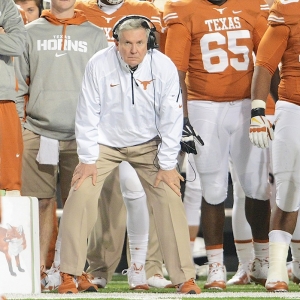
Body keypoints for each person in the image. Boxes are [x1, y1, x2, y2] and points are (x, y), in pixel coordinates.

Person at [58, 16, 201, 295]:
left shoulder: (163, 65)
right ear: (116, 42)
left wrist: (168, 164)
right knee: (80, 192)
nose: (134, 49)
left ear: (147, 42)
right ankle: (70, 273)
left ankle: (185, 277)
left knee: (170, 196)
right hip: (104, 144)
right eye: (127, 43)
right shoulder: (98, 64)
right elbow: (86, 114)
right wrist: (87, 160)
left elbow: (171, 118)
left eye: (139, 43)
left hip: (149, 143)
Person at [164, 0, 275, 290]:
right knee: (212, 188)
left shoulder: (253, 6)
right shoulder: (183, 10)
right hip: (204, 105)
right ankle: (216, 265)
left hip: (246, 103)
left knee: (257, 187)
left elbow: (269, 59)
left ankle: (262, 260)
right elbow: (174, 72)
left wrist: (274, 106)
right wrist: (182, 117)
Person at [67, 0, 173, 289]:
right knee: (103, 199)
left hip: (139, 122)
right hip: (99, 124)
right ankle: (98, 267)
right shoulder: (77, 11)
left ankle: (146, 266)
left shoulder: (147, 11)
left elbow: (159, 68)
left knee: (139, 192)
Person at [14, 0, 108, 292]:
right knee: (38, 203)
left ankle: (72, 270)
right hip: (37, 130)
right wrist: (19, 124)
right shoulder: (29, 32)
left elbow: (105, 86)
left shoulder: (95, 34)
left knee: (78, 205)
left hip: (82, 135)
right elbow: (18, 82)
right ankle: (38, 271)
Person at [249, 0, 300, 292]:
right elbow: (265, 63)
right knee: (289, 188)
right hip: (294, 107)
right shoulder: (290, 10)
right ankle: (277, 271)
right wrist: (258, 110)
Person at [0, 0, 26, 194]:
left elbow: (17, 45)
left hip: (2, 100)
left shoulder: (5, 4)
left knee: (8, 181)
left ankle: (8, 225)